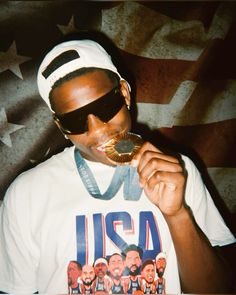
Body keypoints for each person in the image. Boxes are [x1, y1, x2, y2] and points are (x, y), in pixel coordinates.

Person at [0, 38, 235, 294]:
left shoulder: (178, 170)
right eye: (75, 120)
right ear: (60, 126)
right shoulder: (27, 193)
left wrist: (177, 214)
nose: (98, 130)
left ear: (124, 93)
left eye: (104, 106)